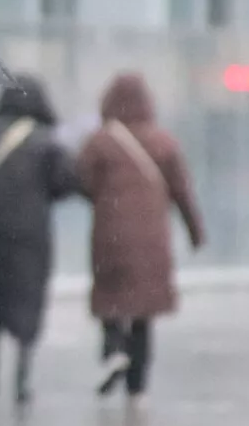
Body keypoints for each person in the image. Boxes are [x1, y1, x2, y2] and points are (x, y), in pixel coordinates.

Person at [77, 73, 205, 402]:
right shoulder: (164, 143)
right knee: (143, 311)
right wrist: (195, 232)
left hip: (110, 235)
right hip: (152, 240)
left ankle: (113, 349)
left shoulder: (100, 143)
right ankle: (137, 386)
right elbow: (183, 193)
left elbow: (82, 182)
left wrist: (107, 201)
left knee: (110, 296)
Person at [0, 74, 80, 405]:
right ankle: (22, 379)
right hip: (30, 237)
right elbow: (67, 182)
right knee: (27, 298)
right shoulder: (46, 142)